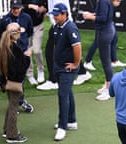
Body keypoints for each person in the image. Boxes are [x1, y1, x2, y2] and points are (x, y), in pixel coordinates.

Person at [36, 0, 91, 90]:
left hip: (61, 25)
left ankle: (53, 81)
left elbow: (61, 13)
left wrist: (57, 26)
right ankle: (82, 72)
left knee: (51, 52)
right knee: (66, 51)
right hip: (59, 25)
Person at [49, 3, 81, 141]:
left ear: (64, 14)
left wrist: (75, 64)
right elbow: (57, 45)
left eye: (57, 15)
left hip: (68, 68)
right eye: (53, 15)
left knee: (62, 95)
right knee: (67, 92)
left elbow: (77, 47)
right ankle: (72, 121)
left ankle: (63, 126)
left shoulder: (70, 28)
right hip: (60, 66)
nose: (54, 17)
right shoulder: (56, 27)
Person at [0, 0, 34, 113]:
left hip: (22, 51)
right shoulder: (4, 20)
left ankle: (17, 101)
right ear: (10, 7)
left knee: (21, 77)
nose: (15, 10)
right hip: (10, 53)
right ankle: (17, 103)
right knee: (13, 78)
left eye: (17, 8)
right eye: (13, 8)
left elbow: (29, 32)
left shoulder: (27, 18)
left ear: (21, 7)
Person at [0, 22, 32, 143]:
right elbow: (19, 70)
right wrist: (27, 57)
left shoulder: (0, 46)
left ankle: (7, 130)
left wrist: (1, 83)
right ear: (15, 34)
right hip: (14, 83)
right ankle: (12, 135)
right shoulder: (15, 49)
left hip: (6, 82)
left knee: (11, 105)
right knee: (13, 107)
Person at [83, 0, 115, 101]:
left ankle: (110, 89)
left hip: (105, 32)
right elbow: (102, 14)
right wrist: (92, 14)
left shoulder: (103, 1)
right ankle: (107, 85)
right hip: (105, 31)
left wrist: (89, 17)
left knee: (106, 62)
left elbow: (103, 18)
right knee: (105, 60)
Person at [84, 0, 126, 71]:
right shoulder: (103, 2)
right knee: (96, 43)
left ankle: (114, 61)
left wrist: (92, 15)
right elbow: (103, 18)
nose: (120, 0)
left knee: (114, 39)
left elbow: (102, 14)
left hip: (108, 25)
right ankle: (87, 62)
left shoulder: (106, 2)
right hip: (103, 28)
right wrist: (90, 17)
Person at [22, 0, 47, 85]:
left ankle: (40, 70)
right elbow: (19, 7)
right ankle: (30, 74)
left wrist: (43, 9)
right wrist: (30, 6)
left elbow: (46, 6)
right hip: (25, 26)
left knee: (36, 50)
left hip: (38, 25)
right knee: (27, 50)